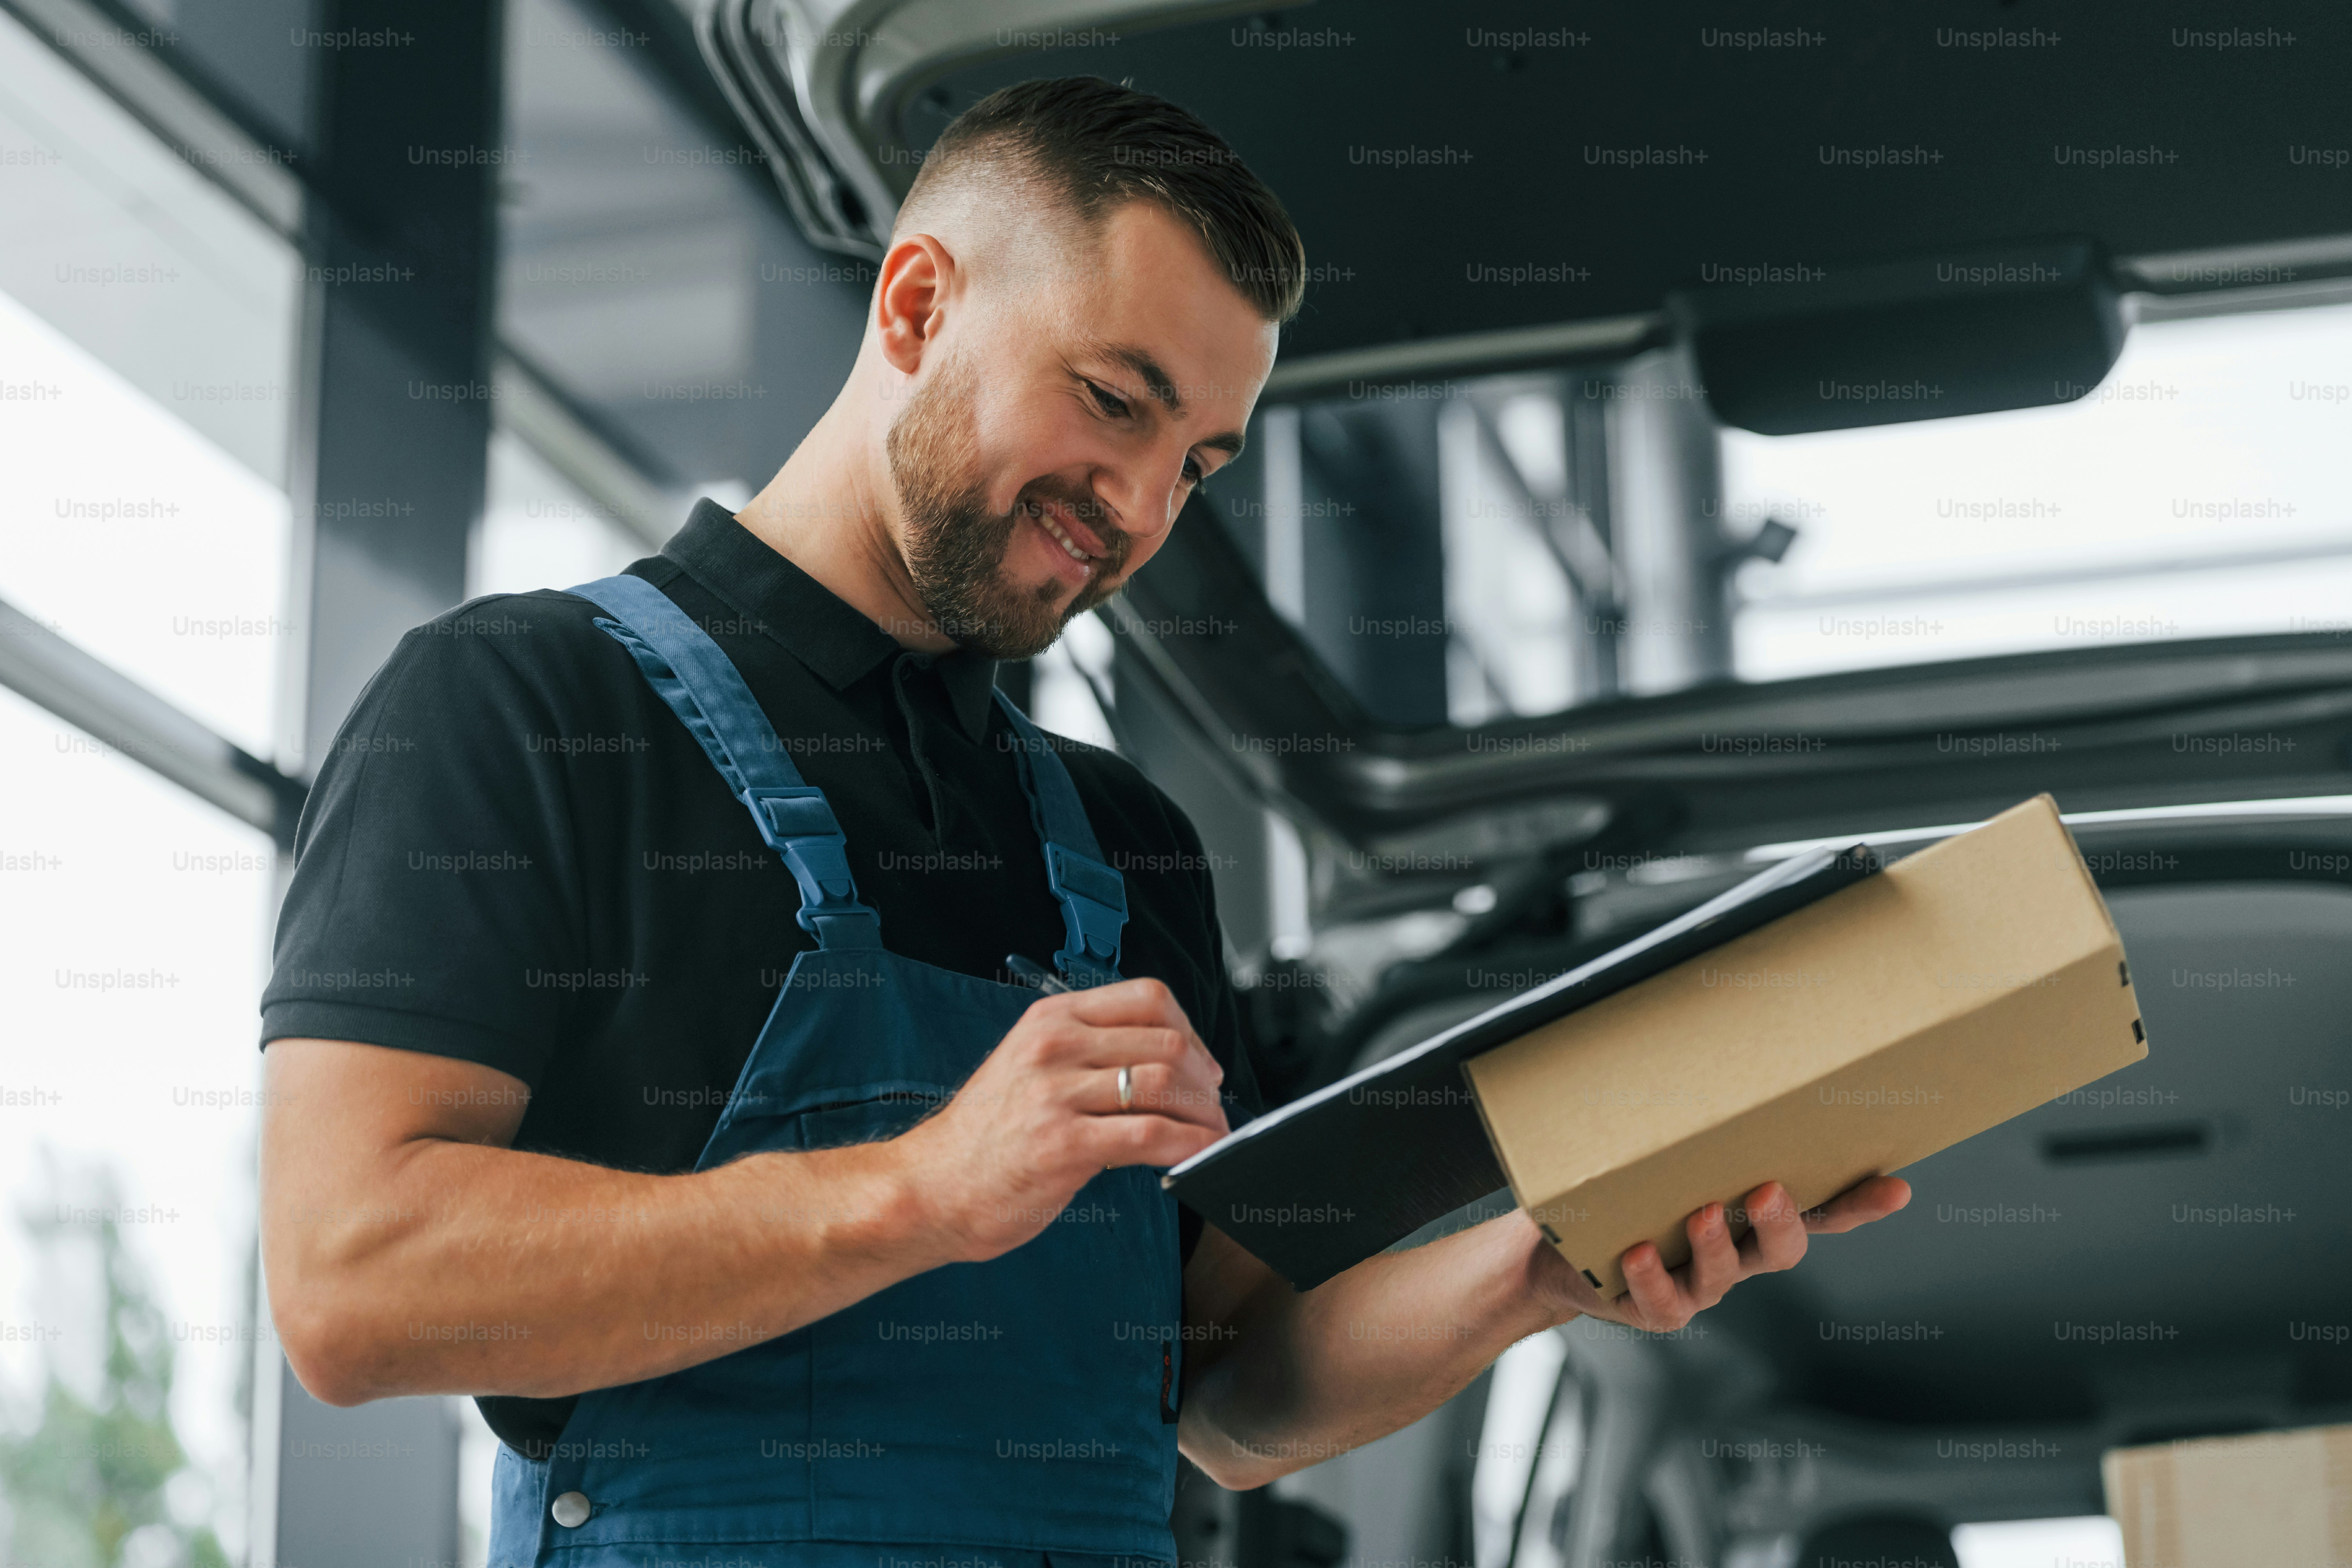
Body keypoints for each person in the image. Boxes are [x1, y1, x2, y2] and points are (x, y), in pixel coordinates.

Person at [257, 75, 1909, 1568]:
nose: (1138, 509)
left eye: (1198, 461)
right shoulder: (526, 706)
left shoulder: (1128, 848)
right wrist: (924, 1188)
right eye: (1116, 400)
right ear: (918, 303)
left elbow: (1231, 1390)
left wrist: (1544, 1267)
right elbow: (351, 1279)